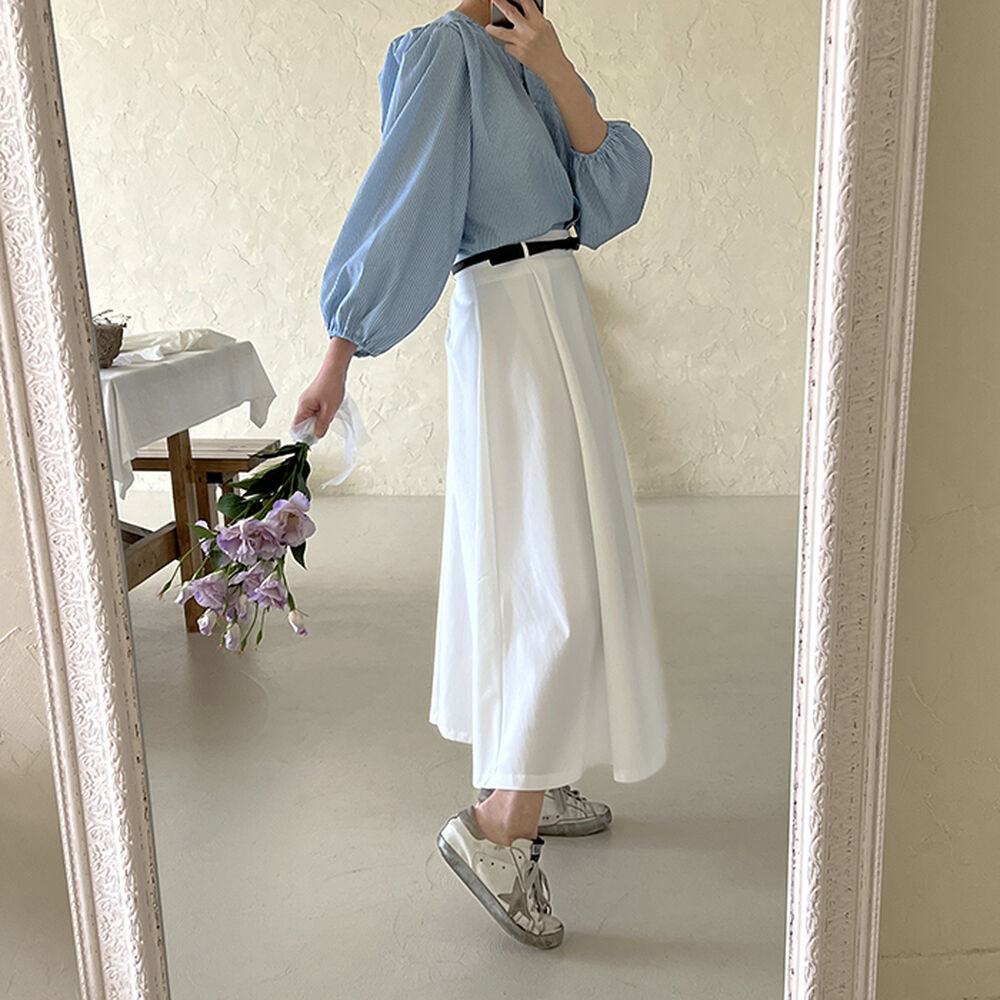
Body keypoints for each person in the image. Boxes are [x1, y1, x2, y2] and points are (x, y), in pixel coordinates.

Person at [293, 0, 669, 950]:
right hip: (508, 323)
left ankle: (534, 762)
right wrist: (342, 350)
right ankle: (500, 825)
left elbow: (613, 194)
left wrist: (557, 65)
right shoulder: (440, 56)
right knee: (550, 579)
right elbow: (401, 199)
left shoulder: (523, 52)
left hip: (558, 310)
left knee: (570, 559)